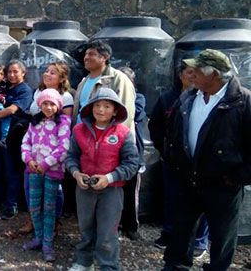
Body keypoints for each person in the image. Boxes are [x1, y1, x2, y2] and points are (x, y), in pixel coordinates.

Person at [162, 49, 251, 271]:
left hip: (224, 183)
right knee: (181, 229)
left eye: (197, 71)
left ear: (214, 74)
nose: (191, 75)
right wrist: (174, 160)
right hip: (189, 178)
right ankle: (175, 266)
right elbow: (172, 132)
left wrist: (239, 177)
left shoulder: (243, 101)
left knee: (222, 235)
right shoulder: (189, 96)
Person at [65, 87, 139, 271]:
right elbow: (70, 157)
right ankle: (84, 261)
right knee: (85, 228)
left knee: (108, 231)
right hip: (84, 188)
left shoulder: (123, 133)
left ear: (115, 110)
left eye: (107, 106)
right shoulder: (79, 130)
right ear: (90, 108)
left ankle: (108, 265)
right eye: (97, 105)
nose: (101, 110)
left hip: (111, 191)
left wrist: (109, 177)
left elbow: (132, 164)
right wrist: (76, 173)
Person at [150, 62, 209, 256]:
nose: (193, 76)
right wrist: (165, 149)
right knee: (172, 196)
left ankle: (200, 240)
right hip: (173, 159)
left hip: (199, 162)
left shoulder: (206, 98)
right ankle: (169, 233)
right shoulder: (168, 98)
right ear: (180, 75)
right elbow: (156, 125)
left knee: (201, 201)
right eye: (190, 72)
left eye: (197, 73)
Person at [23, 61, 74, 234]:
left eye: (53, 72)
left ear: (61, 78)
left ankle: (52, 224)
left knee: (53, 193)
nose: (47, 74)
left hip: (52, 158)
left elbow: (63, 128)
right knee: (31, 188)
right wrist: (29, 156)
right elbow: (34, 118)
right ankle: (34, 221)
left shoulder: (66, 97)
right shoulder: (38, 91)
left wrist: (47, 162)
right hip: (35, 146)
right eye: (46, 71)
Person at [21, 88, 71, 262]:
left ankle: (48, 244)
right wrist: (28, 160)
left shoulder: (63, 122)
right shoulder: (34, 122)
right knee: (34, 205)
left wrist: (45, 164)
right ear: (39, 104)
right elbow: (26, 142)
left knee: (49, 207)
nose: (48, 107)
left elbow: (63, 148)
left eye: (52, 104)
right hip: (33, 170)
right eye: (45, 103)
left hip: (52, 171)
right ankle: (38, 238)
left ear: (58, 106)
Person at [0, 60, 33, 220]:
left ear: (23, 73)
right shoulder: (3, 86)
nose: (11, 75)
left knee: (12, 172)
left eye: (15, 71)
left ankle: (11, 205)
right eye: (9, 71)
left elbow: (12, 110)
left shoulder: (25, 90)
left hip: (13, 137)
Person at [72, 40, 135, 133]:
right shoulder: (83, 82)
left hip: (108, 139)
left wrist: (115, 139)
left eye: (91, 54)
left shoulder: (118, 79)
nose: (86, 57)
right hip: (82, 137)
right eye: (86, 54)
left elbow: (126, 113)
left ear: (104, 57)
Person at [117, 66, 147, 241]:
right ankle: (117, 224)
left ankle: (131, 226)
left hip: (133, 151)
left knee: (131, 190)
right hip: (113, 151)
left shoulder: (139, 97)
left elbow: (133, 114)